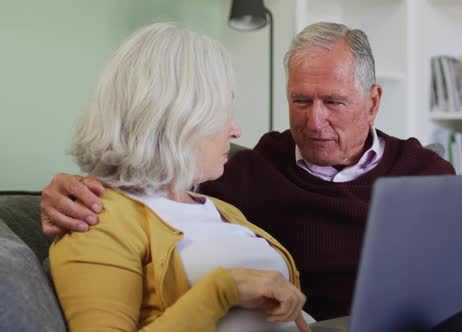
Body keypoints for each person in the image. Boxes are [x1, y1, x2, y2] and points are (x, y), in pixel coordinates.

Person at [42, 22, 462, 331]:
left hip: (419, 325)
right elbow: (141, 176)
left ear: (372, 102)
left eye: (334, 102)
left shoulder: (425, 171)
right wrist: (69, 187)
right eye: (300, 102)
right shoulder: (245, 173)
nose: (314, 120)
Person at [48, 22, 311, 332]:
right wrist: (222, 291)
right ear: (176, 116)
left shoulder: (222, 208)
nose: (237, 130)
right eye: (223, 110)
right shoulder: (96, 219)